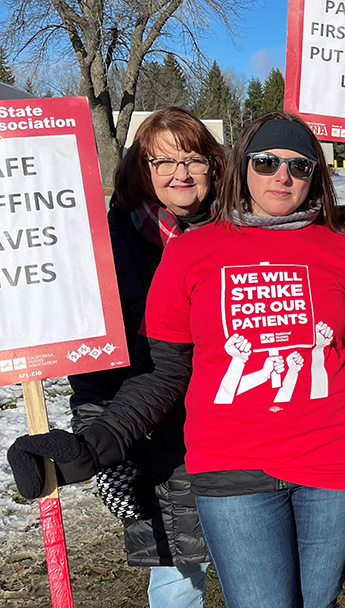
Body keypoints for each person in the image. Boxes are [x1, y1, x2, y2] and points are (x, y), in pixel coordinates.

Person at [8, 111, 345, 608]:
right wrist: (94, 444)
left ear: (317, 175)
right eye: (266, 162)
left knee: (318, 601)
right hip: (232, 468)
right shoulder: (190, 253)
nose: (282, 177)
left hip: (332, 464)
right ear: (243, 167)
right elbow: (164, 371)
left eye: (300, 166)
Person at [67, 107, 221, 608]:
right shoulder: (109, 244)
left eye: (193, 159)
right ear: (140, 169)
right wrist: (97, 428)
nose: (180, 174)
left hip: (236, 428)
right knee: (178, 578)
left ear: (214, 166)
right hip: (157, 434)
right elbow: (93, 355)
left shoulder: (241, 234)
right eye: (163, 162)